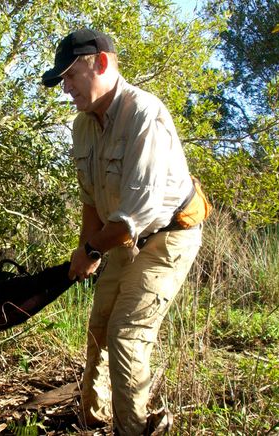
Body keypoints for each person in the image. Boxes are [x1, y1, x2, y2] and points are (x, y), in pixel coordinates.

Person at [41, 28, 203, 435]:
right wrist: (85, 249)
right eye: (62, 81)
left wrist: (92, 251)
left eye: (70, 77)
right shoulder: (82, 126)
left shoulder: (145, 114)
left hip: (167, 236)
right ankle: (92, 421)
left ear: (101, 64)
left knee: (126, 334)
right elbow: (92, 200)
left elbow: (136, 216)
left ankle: (132, 430)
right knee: (99, 327)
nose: (66, 89)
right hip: (120, 240)